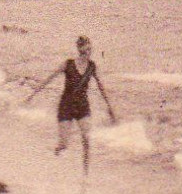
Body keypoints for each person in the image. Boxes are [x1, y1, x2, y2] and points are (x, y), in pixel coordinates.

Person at [24, 35, 118, 174]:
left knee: (86, 139)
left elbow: (101, 87)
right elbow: (49, 78)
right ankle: (53, 154)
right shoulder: (68, 64)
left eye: (90, 47)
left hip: (82, 106)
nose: (89, 50)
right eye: (87, 47)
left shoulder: (92, 66)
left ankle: (85, 175)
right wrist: (32, 95)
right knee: (64, 145)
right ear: (80, 49)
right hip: (66, 106)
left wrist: (110, 109)